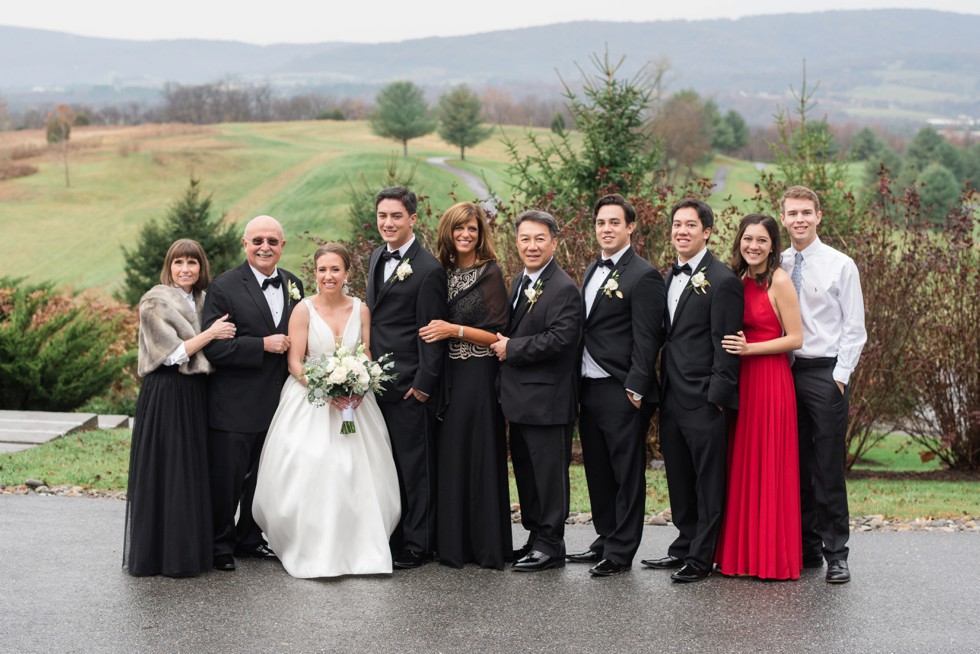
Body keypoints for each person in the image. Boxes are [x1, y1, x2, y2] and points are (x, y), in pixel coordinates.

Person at [252, 244, 401, 578]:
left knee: (359, 471)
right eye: (322, 270)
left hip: (355, 405)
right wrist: (325, 390)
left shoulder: (361, 309)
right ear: (315, 273)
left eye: (335, 269)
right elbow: (295, 363)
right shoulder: (303, 310)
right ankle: (311, 546)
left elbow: (366, 354)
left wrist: (359, 385)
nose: (328, 276)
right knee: (315, 465)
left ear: (347, 273)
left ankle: (363, 549)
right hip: (311, 399)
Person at [641, 198, 743, 583]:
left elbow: (726, 345)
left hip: (704, 399)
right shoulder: (668, 276)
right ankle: (683, 545)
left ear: (707, 232)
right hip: (671, 397)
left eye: (690, 225)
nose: (681, 231)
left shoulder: (723, 280)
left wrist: (717, 398)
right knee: (679, 477)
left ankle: (702, 557)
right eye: (676, 224)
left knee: (707, 480)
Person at [123, 238, 236, 577]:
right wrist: (211, 334)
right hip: (168, 391)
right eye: (179, 263)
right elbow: (170, 355)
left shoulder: (204, 299)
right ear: (169, 267)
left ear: (201, 268)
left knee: (192, 470)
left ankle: (190, 551)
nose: (185, 269)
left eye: (192, 263)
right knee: (168, 469)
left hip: (198, 392)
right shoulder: (154, 302)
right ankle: (161, 555)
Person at [567, 194, 666, 577]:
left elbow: (648, 338)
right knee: (598, 469)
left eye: (613, 223)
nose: (605, 229)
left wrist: (636, 389)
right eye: (600, 223)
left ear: (630, 227)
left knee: (626, 473)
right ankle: (605, 537)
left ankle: (622, 550)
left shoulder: (644, 275)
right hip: (589, 387)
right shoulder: (593, 267)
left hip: (622, 389)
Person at [201, 215, 304, 572]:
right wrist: (261, 345)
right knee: (228, 479)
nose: (265, 247)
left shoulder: (295, 284)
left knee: (263, 477)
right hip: (234, 404)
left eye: (273, 241)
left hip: (280, 405)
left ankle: (249, 538)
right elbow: (214, 349)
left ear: (282, 246)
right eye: (258, 240)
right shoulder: (224, 287)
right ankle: (219, 545)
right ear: (245, 244)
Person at [779, 185, 866, 584]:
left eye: (805, 212)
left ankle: (837, 554)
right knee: (791, 464)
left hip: (823, 373)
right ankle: (806, 547)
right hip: (782, 373)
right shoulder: (776, 263)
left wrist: (839, 376)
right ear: (783, 218)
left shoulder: (840, 264)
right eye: (792, 213)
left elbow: (854, 328)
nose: (799, 219)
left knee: (826, 466)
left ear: (818, 216)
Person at [418, 201, 512, 570]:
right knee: (451, 456)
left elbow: (498, 334)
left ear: (480, 233)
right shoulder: (437, 271)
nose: (465, 235)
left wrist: (453, 329)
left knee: (480, 454)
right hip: (447, 377)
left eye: (472, 229)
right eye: (459, 228)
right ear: (448, 231)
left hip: (478, 376)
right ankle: (452, 546)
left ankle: (487, 547)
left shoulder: (489, 272)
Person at [490, 210, 583, 572]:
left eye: (539, 238)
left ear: (554, 242)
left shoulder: (563, 287)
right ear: (517, 242)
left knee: (548, 475)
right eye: (525, 239)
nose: (531, 246)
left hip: (548, 400)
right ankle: (534, 536)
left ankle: (551, 544)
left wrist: (511, 348)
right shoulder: (518, 281)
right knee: (527, 473)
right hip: (519, 399)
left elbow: (561, 340)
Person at [714, 214, 804, 580]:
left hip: (769, 381)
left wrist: (751, 350)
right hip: (742, 382)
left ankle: (770, 557)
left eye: (762, 240)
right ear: (739, 241)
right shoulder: (735, 279)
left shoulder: (779, 281)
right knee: (742, 465)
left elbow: (796, 338)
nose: (753, 246)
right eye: (748, 239)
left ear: (773, 245)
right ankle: (740, 555)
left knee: (768, 464)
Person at [367, 186, 448, 569]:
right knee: (388, 467)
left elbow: (430, 334)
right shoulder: (374, 258)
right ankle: (394, 538)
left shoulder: (429, 270)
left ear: (413, 219)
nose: (388, 223)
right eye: (383, 215)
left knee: (416, 469)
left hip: (410, 387)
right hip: (377, 385)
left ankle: (419, 544)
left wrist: (423, 387)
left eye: (396, 216)